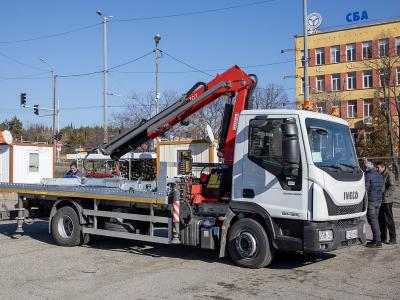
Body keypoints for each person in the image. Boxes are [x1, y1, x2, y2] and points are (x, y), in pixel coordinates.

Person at [363, 159, 384, 248]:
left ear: (367, 167)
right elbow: (382, 188)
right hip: (378, 201)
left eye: (364, 167)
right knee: (376, 220)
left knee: (373, 221)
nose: (363, 169)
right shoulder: (379, 174)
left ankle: (377, 241)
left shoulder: (368, 175)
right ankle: (377, 239)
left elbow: (365, 189)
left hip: (371, 201)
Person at [376, 161, 396, 244]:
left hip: (387, 201)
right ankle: (383, 237)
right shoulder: (379, 174)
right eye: (376, 167)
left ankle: (393, 239)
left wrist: (384, 195)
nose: (377, 169)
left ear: (383, 167)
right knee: (381, 220)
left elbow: (392, 187)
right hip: (380, 201)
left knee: (389, 220)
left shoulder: (389, 174)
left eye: (378, 167)